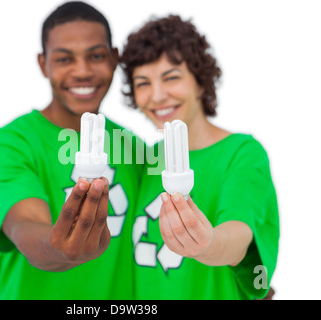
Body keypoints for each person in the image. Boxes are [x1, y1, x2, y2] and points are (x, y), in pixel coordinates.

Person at [0, 1, 143, 299]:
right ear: (44, 64)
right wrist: (56, 248)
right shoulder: (11, 144)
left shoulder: (135, 148)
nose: (82, 71)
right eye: (65, 59)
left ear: (114, 58)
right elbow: (25, 226)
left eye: (95, 56)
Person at [120, 15, 280, 299]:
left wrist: (208, 245)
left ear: (200, 82)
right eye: (143, 83)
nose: (157, 96)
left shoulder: (241, 154)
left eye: (171, 78)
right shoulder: (145, 160)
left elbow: (238, 236)